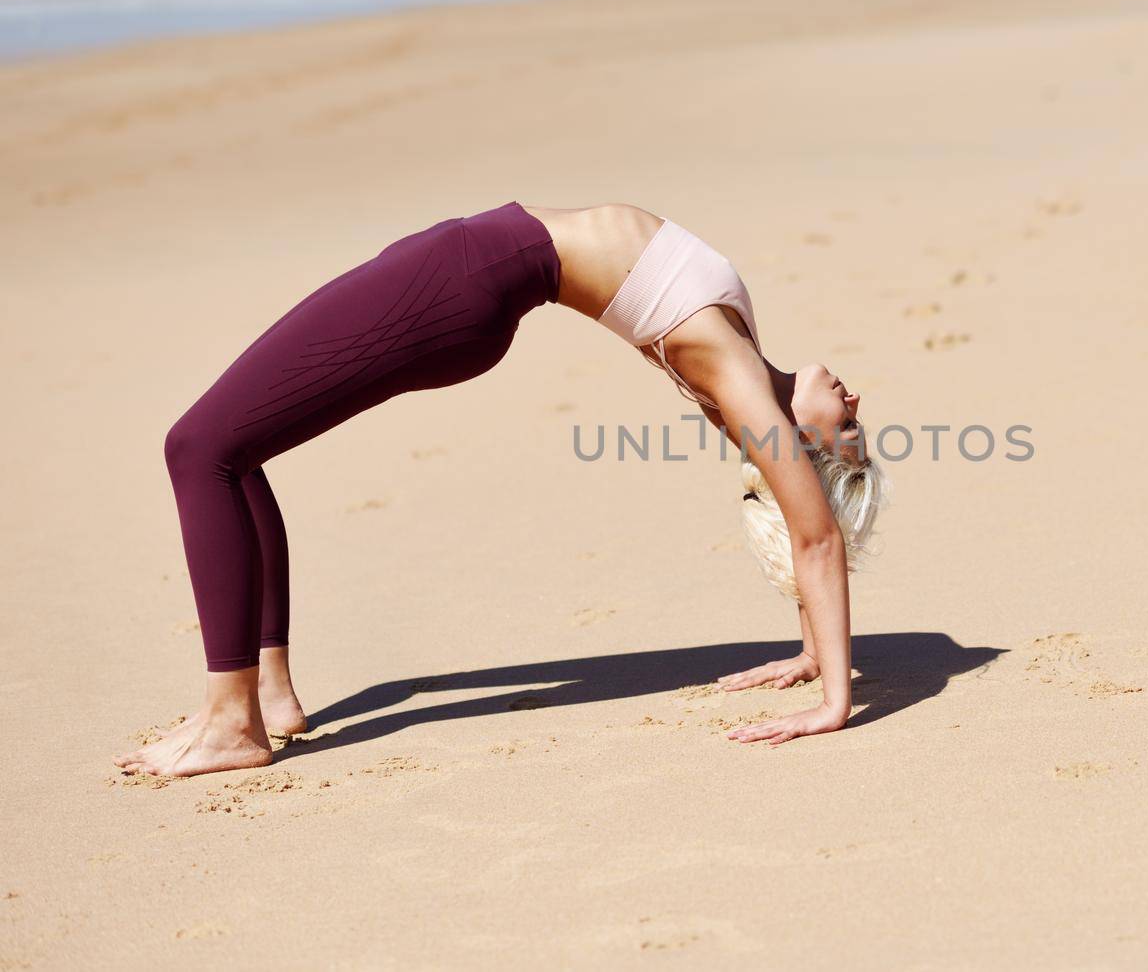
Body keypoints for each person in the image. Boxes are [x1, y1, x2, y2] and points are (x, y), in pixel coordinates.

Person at [114, 202, 887, 778]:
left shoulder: (740, 380)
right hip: (467, 264)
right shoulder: (745, 372)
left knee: (198, 447)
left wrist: (833, 704)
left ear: (802, 452)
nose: (855, 407)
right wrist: (816, 651)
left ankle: (231, 722)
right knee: (235, 450)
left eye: (848, 440)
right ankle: (270, 693)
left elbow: (814, 533)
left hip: (463, 281)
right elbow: (794, 529)